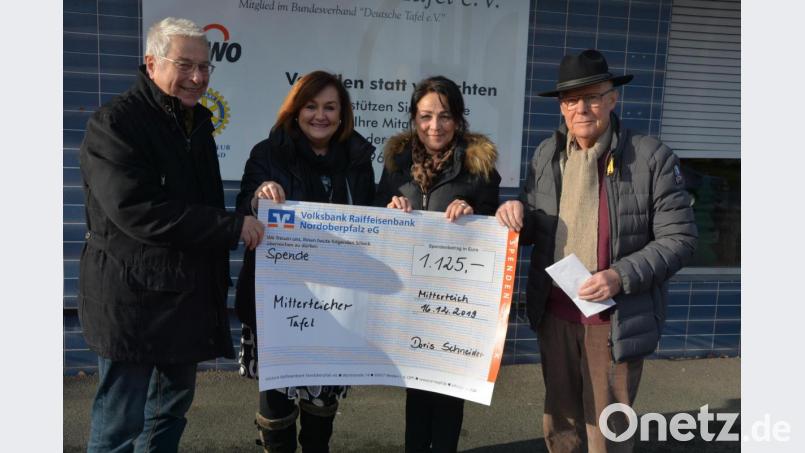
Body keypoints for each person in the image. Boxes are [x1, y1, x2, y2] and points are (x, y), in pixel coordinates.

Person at [495, 49, 698, 452]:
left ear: (612, 98)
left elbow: (680, 240)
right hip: (555, 317)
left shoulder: (650, 158)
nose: (581, 108)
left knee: (607, 434)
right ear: (561, 106)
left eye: (592, 97)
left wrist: (618, 276)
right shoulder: (547, 154)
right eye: (571, 100)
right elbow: (538, 226)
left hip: (614, 323)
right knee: (561, 428)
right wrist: (514, 212)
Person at [78, 17, 265, 452]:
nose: (197, 77)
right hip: (132, 301)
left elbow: (199, 202)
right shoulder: (115, 124)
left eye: (204, 68)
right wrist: (232, 226)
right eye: (184, 65)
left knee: (168, 415)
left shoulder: (195, 124)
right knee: (119, 425)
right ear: (151, 62)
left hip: (183, 299)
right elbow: (138, 212)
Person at [234, 70, 376, 452]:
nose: (321, 115)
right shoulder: (268, 153)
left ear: (343, 114)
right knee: (277, 399)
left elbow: (372, 220)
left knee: (322, 399)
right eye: (311, 106)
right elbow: (244, 206)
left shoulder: (358, 160)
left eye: (331, 107)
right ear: (295, 110)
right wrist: (259, 197)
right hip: (279, 301)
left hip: (336, 300)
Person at [376, 75, 501, 453]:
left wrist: (475, 211)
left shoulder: (480, 167)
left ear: (459, 119)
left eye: (445, 116)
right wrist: (390, 208)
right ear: (414, 117)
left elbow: (499, 225)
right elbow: (375, 218)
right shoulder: (396, 162)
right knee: (416, 394)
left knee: (449, 395)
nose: (435, 126)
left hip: (457, 304)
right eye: (426, 116)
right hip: (410, 299)